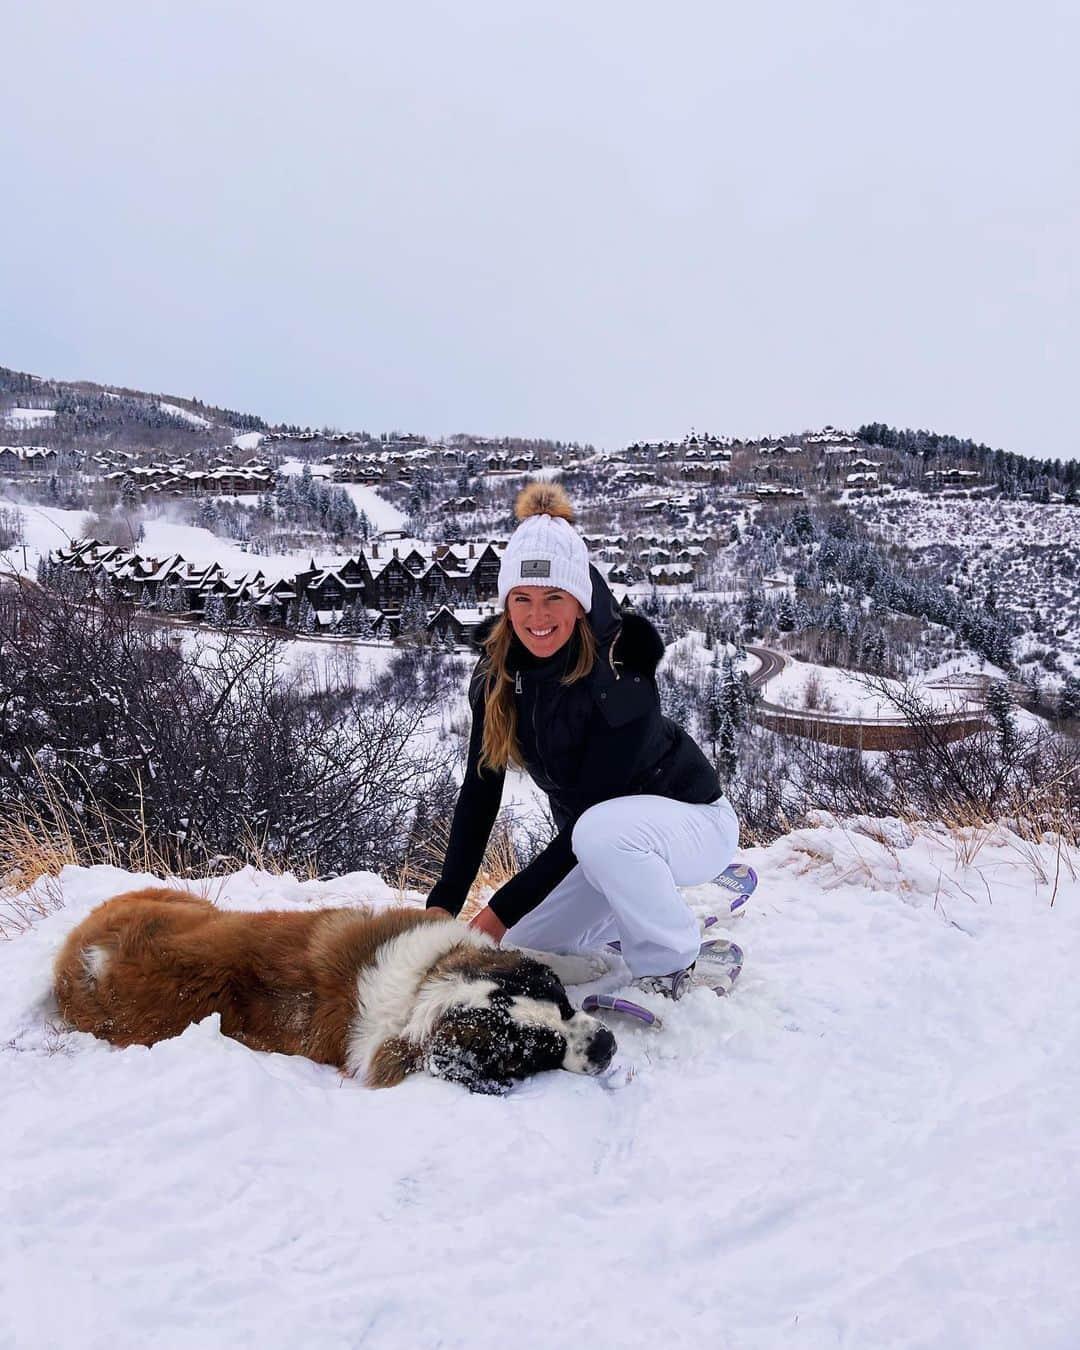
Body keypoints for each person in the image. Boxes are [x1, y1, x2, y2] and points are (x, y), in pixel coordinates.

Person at [426, 481, 740, 999]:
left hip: (692, 824)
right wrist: (445, 904)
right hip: (596, 846)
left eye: (554, 597)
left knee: (597, 834)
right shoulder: (498, 674)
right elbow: (480, 792)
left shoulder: (621, 670)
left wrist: (495, 913)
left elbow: (598, 813)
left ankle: (668, 958)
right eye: (521, 599)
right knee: (522, 945)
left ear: (579, 601)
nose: (537, 616)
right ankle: (631, 918)